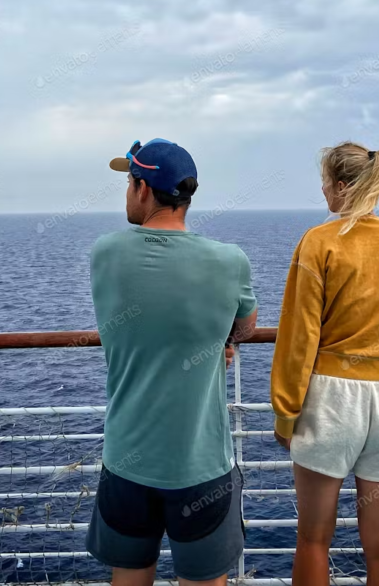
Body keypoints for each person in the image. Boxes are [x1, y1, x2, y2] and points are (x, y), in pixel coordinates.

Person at [86, 138, 259, 586]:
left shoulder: (106, 253)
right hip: (200, 468)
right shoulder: (229, 261)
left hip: (127, 461)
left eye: (128, 181)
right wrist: (218, 338)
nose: (127, 191)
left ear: (143, 190)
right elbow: (245, 328)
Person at [270, 141, 379, 586]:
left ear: (341, 186)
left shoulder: (319, 243)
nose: (324, 191)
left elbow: (298, 337)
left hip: (331, 397)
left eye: (326, 183)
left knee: (312, 541)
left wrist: (286, 412)